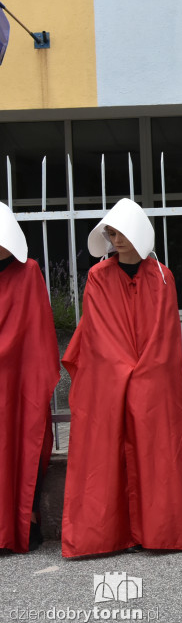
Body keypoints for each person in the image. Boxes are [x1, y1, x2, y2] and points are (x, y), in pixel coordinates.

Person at [61, 198, 182, 557]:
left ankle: (159, 532)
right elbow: (100, 331)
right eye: (110, 232)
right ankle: (108, 534)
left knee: (155, 451)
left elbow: (164, 336)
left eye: (121, 232)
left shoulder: (163, 277)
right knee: (107, 452)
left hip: (152, 380)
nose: (115, 239)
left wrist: (143, 376)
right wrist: (126, 373)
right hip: (109, 380)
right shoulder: (97, 276)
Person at [0, 203, 60, 553]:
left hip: (19, 379)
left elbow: (36, 331)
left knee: (22, 446)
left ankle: (24, 524)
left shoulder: (28, 271)